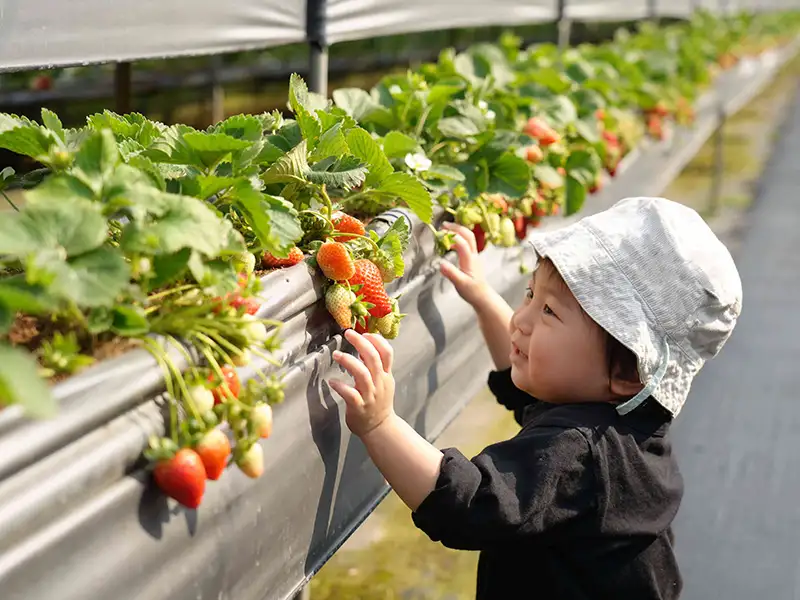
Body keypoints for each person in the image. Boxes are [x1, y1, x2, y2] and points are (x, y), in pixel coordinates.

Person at [327, 196, 742, 599]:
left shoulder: (579, 453)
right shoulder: (627, 422)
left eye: (550, 312)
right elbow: (523, 382)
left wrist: (380, 424)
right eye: (530, 295)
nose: (521, 321)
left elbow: (471, 504)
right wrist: (485, 298)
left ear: (629, 370)